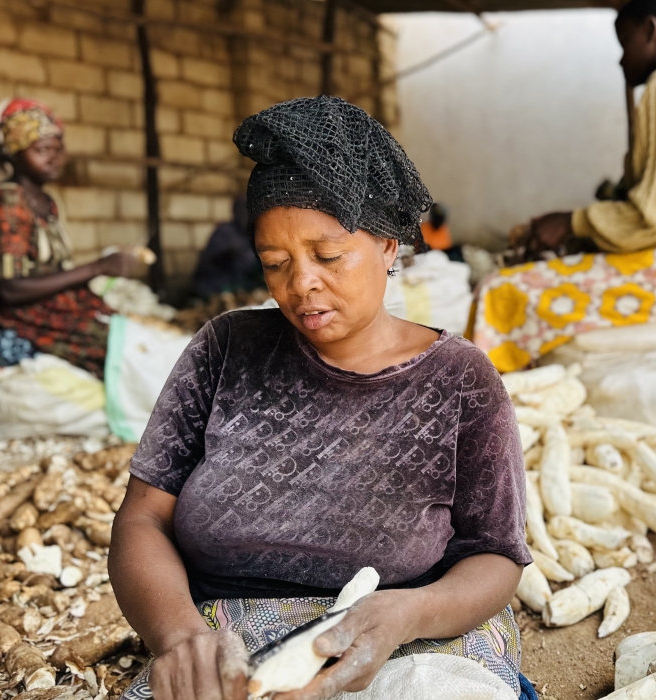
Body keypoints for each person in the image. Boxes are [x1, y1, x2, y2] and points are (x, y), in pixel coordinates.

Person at [109, 97, 532, 700]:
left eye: (328, 256)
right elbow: (144, 518)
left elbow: (496, 556)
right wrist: (180, 638)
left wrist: (406, 615)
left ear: (389, 245)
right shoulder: (225, 348)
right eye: (275, 263)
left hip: (414, 640)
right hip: (225, 644)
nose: (301, 284)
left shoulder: (459, 380)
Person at [470, 0, 656, 372]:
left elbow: (652, 217)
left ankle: (478, 409)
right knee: (545, 273)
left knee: (499, 291)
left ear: (650, 30)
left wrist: (571, 222)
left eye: (625, 43)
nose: (620, 60)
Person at [0, 98, 143, 378]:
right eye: (41, 150)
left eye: (58, 150)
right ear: (14, 154)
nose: (54, 158)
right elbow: (10, 289)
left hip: (56, 304)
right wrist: (97, 268)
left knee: (136, 334)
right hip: (27, 314)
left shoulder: (47, 202)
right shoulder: (10, 200)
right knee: (123, 350)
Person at [189, 195, 264, 299]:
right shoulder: (224, 232)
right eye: (243, 210)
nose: (246, 215)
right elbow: (212, 260)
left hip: (241, 289)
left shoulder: (252, 235)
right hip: (214, 288)